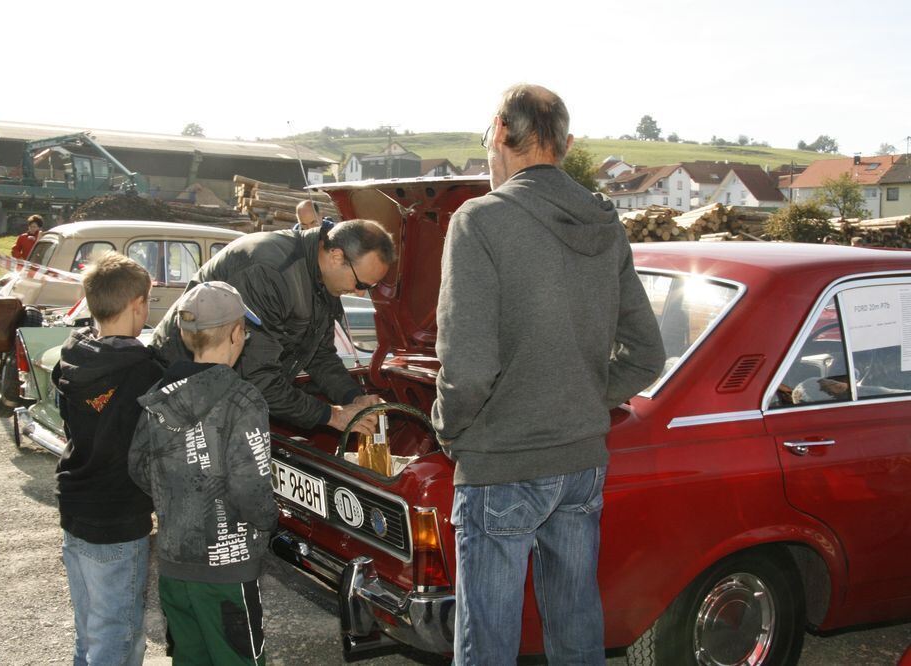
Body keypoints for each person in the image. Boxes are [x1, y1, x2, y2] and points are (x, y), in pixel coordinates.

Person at [431, 84, 665, 665]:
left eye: (487, 142)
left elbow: (468, 368)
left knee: (486, 642)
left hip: (502, 463)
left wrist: (448, 430)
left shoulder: (479, 221)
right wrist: (584, 395)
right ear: (565, 144)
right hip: (581, 463)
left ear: (500, 132)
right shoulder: (606, 223)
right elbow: (646, 355)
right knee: (576, 625)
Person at [130, 281, 276, 666]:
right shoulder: (244, 400)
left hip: (176, 564)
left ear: (183, 333)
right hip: (229, 570)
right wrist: (266, 522)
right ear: (236, 332)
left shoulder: (160, 394)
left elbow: (139, 466)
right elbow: (250, 486)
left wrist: (179, 504)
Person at [151, 219, 395, 437]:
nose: (361, 292)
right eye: (360, 283)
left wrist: (354, 398)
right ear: (336, 256)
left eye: (369, 287)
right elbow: (257, 376)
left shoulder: (325, 279)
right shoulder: (270, 271)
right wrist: (333, 416)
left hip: (225, 392)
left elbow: (320, 355)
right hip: (183, 392)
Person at [52, 252, 164, 666]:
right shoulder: (143, 371)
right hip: (117, 517)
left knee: (90, 628)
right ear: (138, 304)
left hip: (74, 503)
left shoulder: (72, 354)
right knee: (118, 634)